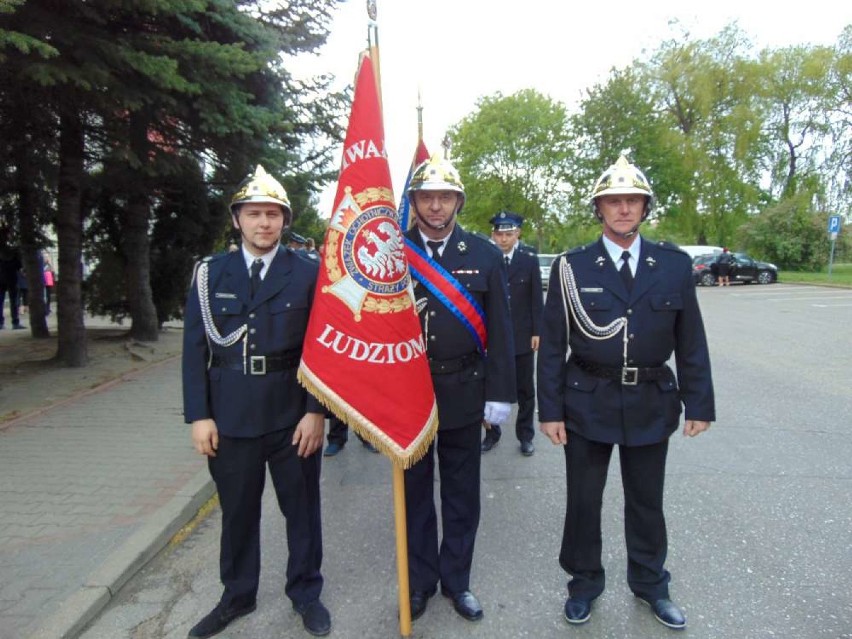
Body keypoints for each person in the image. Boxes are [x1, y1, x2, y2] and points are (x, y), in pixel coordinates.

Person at [537, 154, 715, 630]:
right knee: (584, 501)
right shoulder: (571, 267)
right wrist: (549, 410)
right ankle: (584, 584)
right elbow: (552, 346)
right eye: (613, 201)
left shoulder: (673, 266)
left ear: (644, 208)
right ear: (600, 209)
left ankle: (652, 584)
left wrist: (700, 402)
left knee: (646, 502)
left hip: (650, 401)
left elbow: (690, 339)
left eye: (632, 201)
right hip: (586, 400)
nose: (623, 209)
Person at [182, 165, 331, 638]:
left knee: (302, 511)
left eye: (272, 214)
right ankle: (237, 595)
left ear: (285, 221)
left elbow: (323, 348)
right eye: (254, 214)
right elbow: (193, 350)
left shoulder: (308, 272)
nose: (263, 223)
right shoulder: (210, 275)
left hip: (292, 413)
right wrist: (199, 415)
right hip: (230, 416)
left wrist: (315, 412)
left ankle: (306, 592)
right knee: (238, 512)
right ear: (237, 220)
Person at [403, 155, 516, 623]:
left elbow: (503, 331)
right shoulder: (389, 254)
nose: (435, 205)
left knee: (460, 493)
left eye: (444, 196)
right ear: (414, 202)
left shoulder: (484, 255)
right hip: (406, 394)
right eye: (426, 197)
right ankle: (419, 582)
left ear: (457, 202)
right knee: (411, 494)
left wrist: (500, 394)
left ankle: (457, 581)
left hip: (465, 389)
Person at [482, 211, 543, 456]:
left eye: (508, 234)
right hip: (493, 337)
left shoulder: (528, 259)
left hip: (521, 334)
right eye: (499, 234)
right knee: (491, 387)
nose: (503, 239)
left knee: (526, 390)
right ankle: (492, 433)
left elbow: (536, 297)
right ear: (493, 234)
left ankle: (525, 436)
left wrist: (537, 330)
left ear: (517, 234)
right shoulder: (486, 258)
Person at [0, 231, 24, 330]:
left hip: (0, 278)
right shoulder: (13, 250)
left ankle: (0, 323)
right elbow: (19, 265)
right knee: (14, 300)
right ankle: (15, 322)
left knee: (0, 301)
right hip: (12, 277)